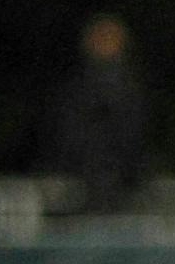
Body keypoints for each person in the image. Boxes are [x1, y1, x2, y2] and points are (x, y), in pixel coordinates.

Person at [46, 13, 149, 212]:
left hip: (120, 188)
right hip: (78, 186)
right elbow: (65, 136)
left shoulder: (130, 89)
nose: (106, 45)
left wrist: (133, 177)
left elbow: (133, 139)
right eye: (101, 38)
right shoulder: (75, 89)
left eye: (111, 39)